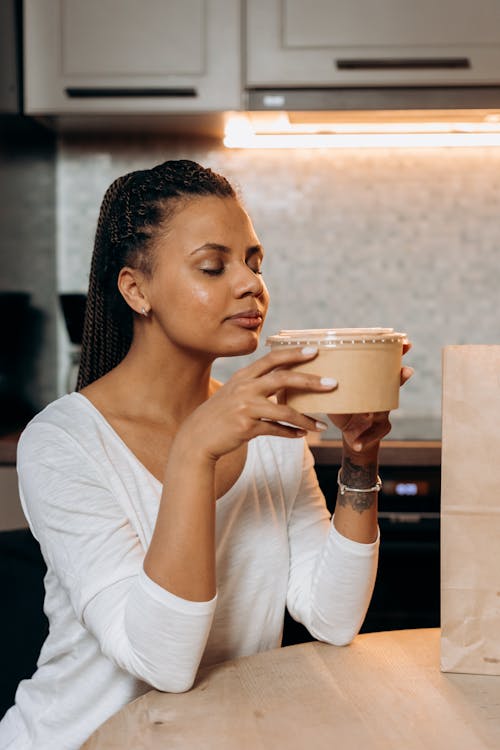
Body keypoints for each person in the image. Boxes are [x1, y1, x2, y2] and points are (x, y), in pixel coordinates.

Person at [0, 159, 412, 750]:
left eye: (254, 263)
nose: (250, 284)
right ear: (135, 290)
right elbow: (161, 661)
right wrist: (195, 449)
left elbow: (332, 616)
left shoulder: (264, 424)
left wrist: (358, 458)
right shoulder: (62, 442)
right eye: (214, 266)